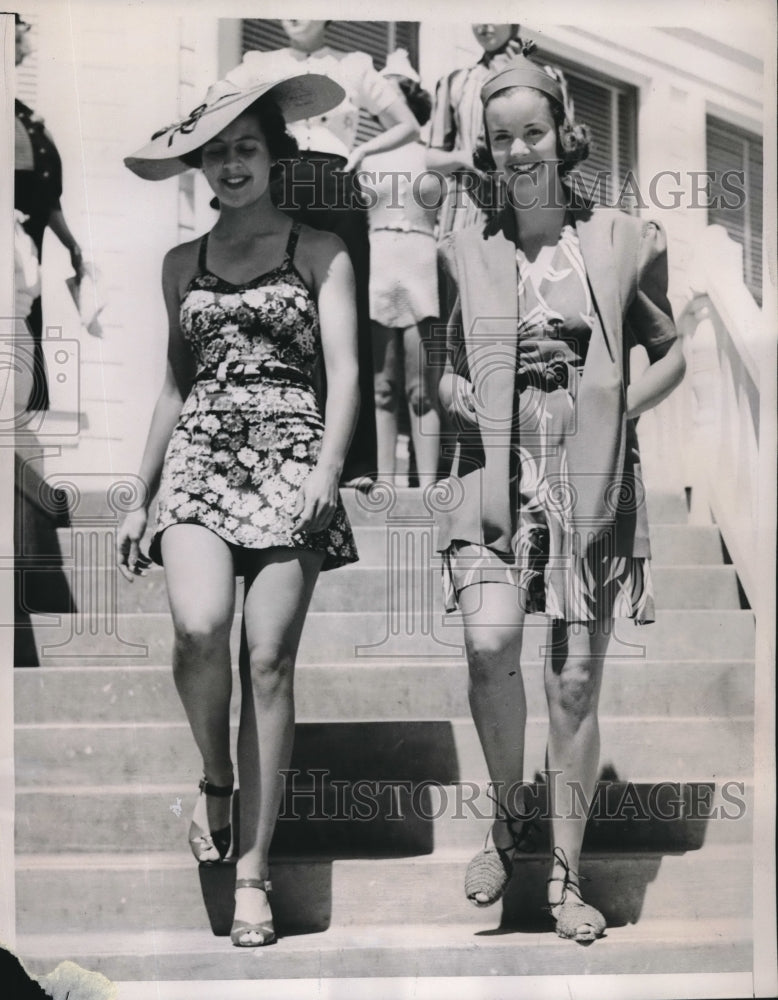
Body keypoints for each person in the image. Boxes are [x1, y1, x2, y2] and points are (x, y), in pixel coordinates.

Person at [436, 44, 686, 941]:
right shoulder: (465, 245)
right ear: (488, 148)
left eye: (532, 132)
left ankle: (568, 878)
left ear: (561, 134)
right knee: (489, 641)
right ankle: (510, 818)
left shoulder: (620, 238)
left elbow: (672, 355)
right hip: (495, 480)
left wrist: (614, 410)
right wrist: (456, 392)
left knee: (575, 683)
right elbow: (444, 372)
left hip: (589, 485)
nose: (518, 151)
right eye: (501, 138)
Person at [119, 68, 359, 947]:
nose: (231, 165)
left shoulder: (322, 250)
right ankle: (217, 774)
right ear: (199, 166)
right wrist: (135, 495)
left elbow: (348, 370)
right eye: (215, 152)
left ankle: (253, 875)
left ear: (273, 154)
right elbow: (173, 387)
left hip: (294, 460)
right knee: (198, 624)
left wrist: (329, 468)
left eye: (245, 147)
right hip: (200, 463)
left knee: (266, 660)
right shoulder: (181, 263)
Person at [223, 20, 420, 487]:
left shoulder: (352, 65)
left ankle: (354, 463)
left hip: (334, 186)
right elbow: (212, 106)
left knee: (343, 322)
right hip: (277, 188)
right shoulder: (258, 64)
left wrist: (364, 151)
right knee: (272, 316)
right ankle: (269, 448)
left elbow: (408, 125)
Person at [360, 50, 441, 487]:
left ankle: (427, 484)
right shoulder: (364, 158)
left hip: (420, 265)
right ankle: (385, 481)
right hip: (378, 265)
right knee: (382, 387)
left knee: (421, 387)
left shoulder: (431, 156)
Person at [14, 13, 84, 411]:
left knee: (28, 321)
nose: (28, 42)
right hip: (11, 253)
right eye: (21, 33)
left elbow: (43, 195)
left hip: (29, 254)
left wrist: (71, 244)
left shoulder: (22, 112)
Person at [427, 23, 523, 239]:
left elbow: (562, 157)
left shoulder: (546, 79)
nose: (485, 24)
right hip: (463, 212)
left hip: (522, 211)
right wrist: (465, 158)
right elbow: (431, 158)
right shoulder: (455, 82)